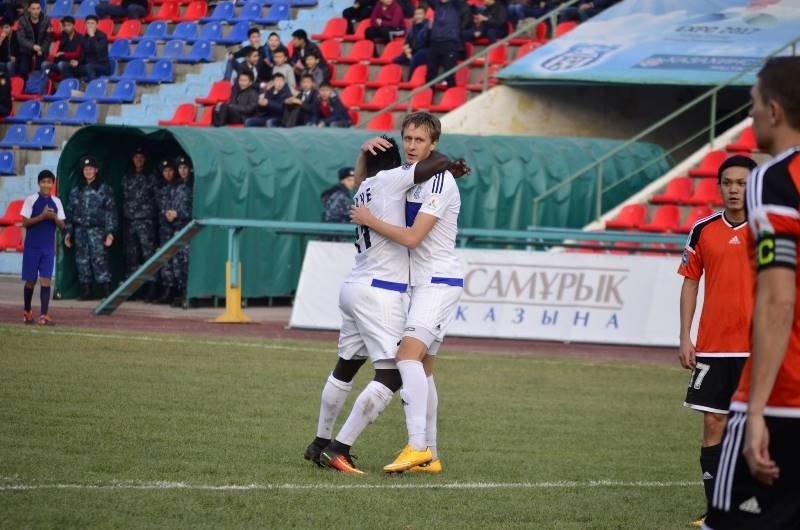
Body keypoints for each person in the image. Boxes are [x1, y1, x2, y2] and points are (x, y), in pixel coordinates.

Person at [304, 135, 468, 474]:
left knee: (346, 367)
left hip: (354, 286)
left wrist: (362, 150)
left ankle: (319, 441)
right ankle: (339, 448)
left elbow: (367, 175)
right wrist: (445, 164)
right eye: (407, 142)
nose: (411, 150)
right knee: (394, 372)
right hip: (381, 291)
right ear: (397, 164)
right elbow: (434, 162)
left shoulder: (365, 187)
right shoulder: (392, 179)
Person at [704, 56, 800, 530]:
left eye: (754, 103)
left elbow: (779, 299)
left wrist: (757, 409)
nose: (751, 114)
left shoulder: (774, 179)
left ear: (775, 111)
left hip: (785, 395)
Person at [350, 112, 464, 474]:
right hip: (421, 285)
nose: (412, 146)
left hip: (439, 282)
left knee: (406, 357)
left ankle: (417, 446)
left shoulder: (441, 182)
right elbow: (364, 187)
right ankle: (431, 456)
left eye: (420, 140)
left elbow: (414, 238)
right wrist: (363, 153)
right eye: (408, 139)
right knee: (423, 370)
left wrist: (370, 221)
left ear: (434, 144)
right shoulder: (409, 175)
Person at [676, 154, 757, 526]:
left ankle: (761, 506)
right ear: (719, 187)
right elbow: (690, 282)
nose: (734, 189)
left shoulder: (773, 229)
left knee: (761, 427)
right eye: (728, 183)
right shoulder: (703, 229)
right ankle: (717, 509)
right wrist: (685, 336)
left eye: (742, 183)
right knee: (713, 425)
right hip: (714, 347)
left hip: (761, 349)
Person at [64, 156, 117, 300]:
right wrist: (68, 231)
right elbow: (70, 212)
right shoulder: (76, 190)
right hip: (80, 231)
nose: (88, 172)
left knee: (100, 260)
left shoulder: (104, 189)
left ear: (96, 170)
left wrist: (110, 232)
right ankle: (86, 291)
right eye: (85, 169)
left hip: (97, 230)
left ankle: (106, 291)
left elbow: (111, 212)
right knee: (82, 261)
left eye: (91, 169)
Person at [20, 169, 65, 326]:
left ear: (53, 184)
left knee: (46, 280)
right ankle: (27, 312)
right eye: (43, 182)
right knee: (31, 281)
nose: (46, 185)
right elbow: (25, 222)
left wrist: (53, 217)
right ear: (39, 183)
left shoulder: (57, 202)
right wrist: (42, 216)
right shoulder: (31, 200)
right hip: (32, 247)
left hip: (48, 248)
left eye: (49, 182)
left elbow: (62, 225)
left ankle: (43, 316)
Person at [121, 146, 159, 302]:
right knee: (131, 257)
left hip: (146, 221)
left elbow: (157, 198)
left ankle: (152, 289)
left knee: (148, 256)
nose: (138, 160)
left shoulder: (151, 176)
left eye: (141, 157)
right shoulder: (127, 176)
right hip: (130, 221)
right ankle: (133, 290)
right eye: (136, 157)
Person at [154, 158, 179, 304]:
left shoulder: (179, 187)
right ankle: (167, 290)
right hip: (164, 228)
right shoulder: (159, 188)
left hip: (177, 227)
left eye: (170, 170)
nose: (168, 173)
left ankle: (179, 290)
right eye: (165, 171)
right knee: (165, 260)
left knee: (178, 260)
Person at [426, 0, 467, 87]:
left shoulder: (456, 5)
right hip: (435, 43)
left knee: (449, 74)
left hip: (450, 43)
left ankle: (452, 94)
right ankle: (428, 94)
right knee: (430, 74)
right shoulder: (437, 4)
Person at [170, 155, 193, 307]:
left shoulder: (194, 186)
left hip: (189, 229)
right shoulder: (176, 186)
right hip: (176, 229)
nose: (182, 171)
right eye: (180, 168)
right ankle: (181, 292)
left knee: (187, 263)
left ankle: (190, 295)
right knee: (177, 264)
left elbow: (196, 210)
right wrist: (169, 214)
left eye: (185, 168)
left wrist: (179, 214)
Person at [16, 0, 51, 79]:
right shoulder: (22, 20)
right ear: (29, 9)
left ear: (41, 9)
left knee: (39, 69)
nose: (36, 11)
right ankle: (25, 84)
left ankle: (37, 85)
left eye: (38, 8)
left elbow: (48, 38)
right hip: (27, 49)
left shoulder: (46, 20)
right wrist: (32, 46)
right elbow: (21, 38)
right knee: (23, 70)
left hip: (41, 49)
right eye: (33, 9)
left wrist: (42, 49)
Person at [393, 7, 429, 81]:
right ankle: (398, 80)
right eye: (416, 14)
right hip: (412, 50)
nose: (417, 16)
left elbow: (424, 42)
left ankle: (410, 81)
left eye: (420, 14)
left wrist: (410, 54)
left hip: (423, 50)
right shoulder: (413, 26)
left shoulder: (427, 27)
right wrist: (406, 48)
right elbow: (408, 40)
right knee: (395, 61)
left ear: (425, 15)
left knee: (414, 60)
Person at [44, 15, 82, 80]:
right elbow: (55, 36)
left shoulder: (80, 37)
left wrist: (63, 54)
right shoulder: (63, 34)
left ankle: (68, 80)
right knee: (45, 65)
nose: (66, 27)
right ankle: (50, 80)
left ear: (73, 25)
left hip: (71, 64)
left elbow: (77, 54)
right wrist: (50, 32)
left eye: (69, 25)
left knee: (61, 64)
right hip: (59, 64)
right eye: (65, 26)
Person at [76, 15, 111, 81]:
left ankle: (93, 86)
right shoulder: (84, 38)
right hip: (88, 65)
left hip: (102, 66)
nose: (90, 25)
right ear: (85, 25)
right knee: (70, 67)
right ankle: (73, 85)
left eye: (92, 23)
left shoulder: (102, 36)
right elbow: (83, 55)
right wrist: (77, 62)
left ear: (96, 25)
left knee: (89, 67)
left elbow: (98, 50)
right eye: (88, 23)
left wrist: (92, 36)